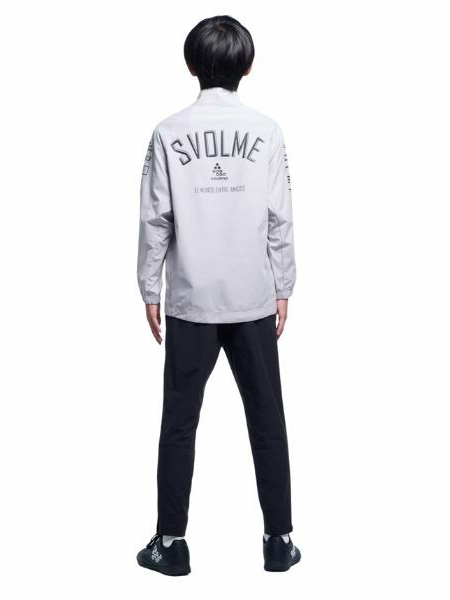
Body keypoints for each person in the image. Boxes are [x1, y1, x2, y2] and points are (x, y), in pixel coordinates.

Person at [136, 15, 300, 575]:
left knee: (179, 423)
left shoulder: (168, 131)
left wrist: (149, 287)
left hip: (191, 298)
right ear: (247, 66)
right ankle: (278, 541)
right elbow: (280, 218)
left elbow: (154, 219)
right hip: (253, 295)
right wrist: (284, 285)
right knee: (267, 419)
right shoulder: (267, 131)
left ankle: (171, 544)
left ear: (191, 65)